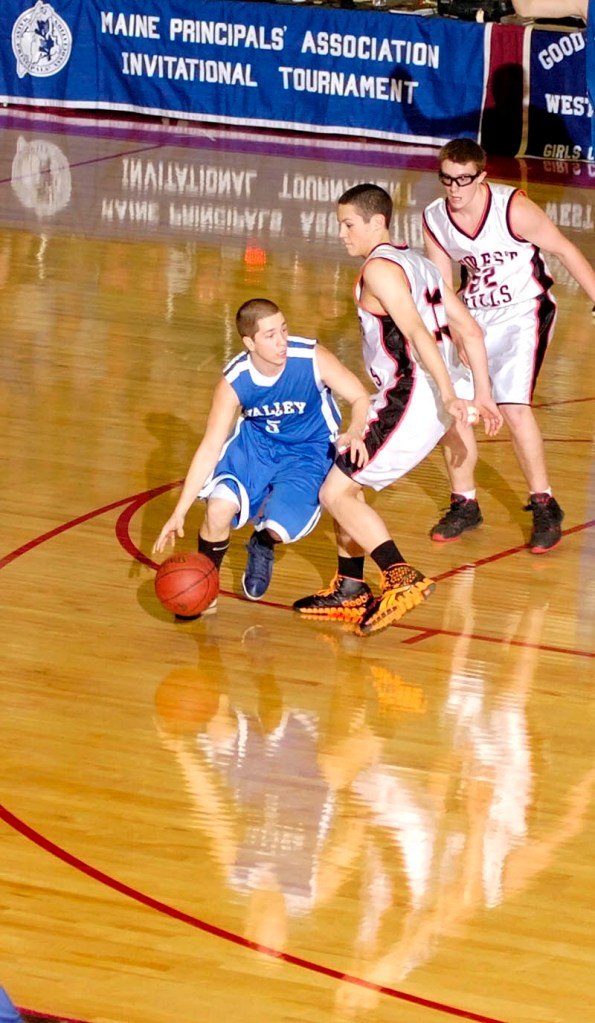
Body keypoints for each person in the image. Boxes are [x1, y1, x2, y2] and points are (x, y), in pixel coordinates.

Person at [293, 183, 502, 637]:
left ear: (376, 222)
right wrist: (481, 392)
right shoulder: (421, 264)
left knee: (335, 493)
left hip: (413, 395)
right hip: (423, 394)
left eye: (348, 224)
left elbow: (415, 332)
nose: (342, 234)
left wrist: (448, 393)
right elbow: (469, 329)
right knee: (345, 475)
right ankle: (350, 587)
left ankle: (400, 576)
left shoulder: (380, 270)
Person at [423, 138, 595, 552]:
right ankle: (465, 502)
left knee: (514, 409)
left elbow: (565, 249)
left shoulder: (512, 207)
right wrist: (454, 333)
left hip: (524, 310)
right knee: (456, 407)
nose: (455, 188)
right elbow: (443, 288)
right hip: (474, 317)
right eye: (447, 179)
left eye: (464, 179)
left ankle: (544, 504)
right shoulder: (435, 217)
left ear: (482, 176)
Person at [152, 297, 370, 610]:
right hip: (258, 446)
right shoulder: (234, 381)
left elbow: (359, 396)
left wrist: (354, 430)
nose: (282, 342)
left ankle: (263, 543)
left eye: (283, 330)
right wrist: (180, 511)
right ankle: (204, 586)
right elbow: (210, 446)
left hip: (308, 450)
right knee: (217, 509)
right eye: (270, 336)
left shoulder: (310, 357)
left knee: (278, 527)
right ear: (249, 342)